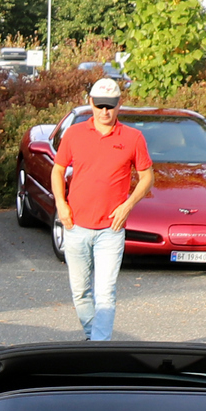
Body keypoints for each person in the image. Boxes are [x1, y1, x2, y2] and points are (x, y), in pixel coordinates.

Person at [52, 77, 153, 343]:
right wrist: (61, 204)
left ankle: (99, 346)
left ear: (119, 105)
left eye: (110, 105)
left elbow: (147, 177)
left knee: (105, 293)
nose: (104, 111)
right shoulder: (74, 134)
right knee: (80, 291)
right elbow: (58, 170)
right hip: (76, 225)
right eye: (99, 106)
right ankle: (93, 340)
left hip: (111, 229)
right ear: (91, 103)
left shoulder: (133, 138)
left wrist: (127, 206)